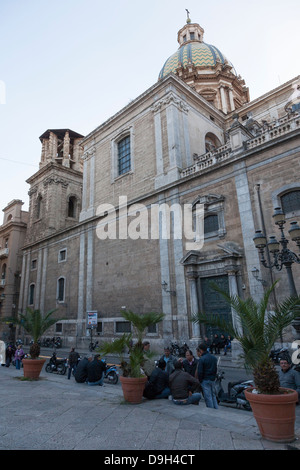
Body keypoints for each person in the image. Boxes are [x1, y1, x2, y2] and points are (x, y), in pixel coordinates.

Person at [197, 343, 218, 409]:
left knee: (208, 397)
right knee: (213, 396)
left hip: (205, 380)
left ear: (201, 350)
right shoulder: (213, 358)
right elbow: (215, 369)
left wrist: (200, 381)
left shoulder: (202, 359)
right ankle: (216, 409)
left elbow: (200, 372)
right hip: (212, 379)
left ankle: (211, 411)